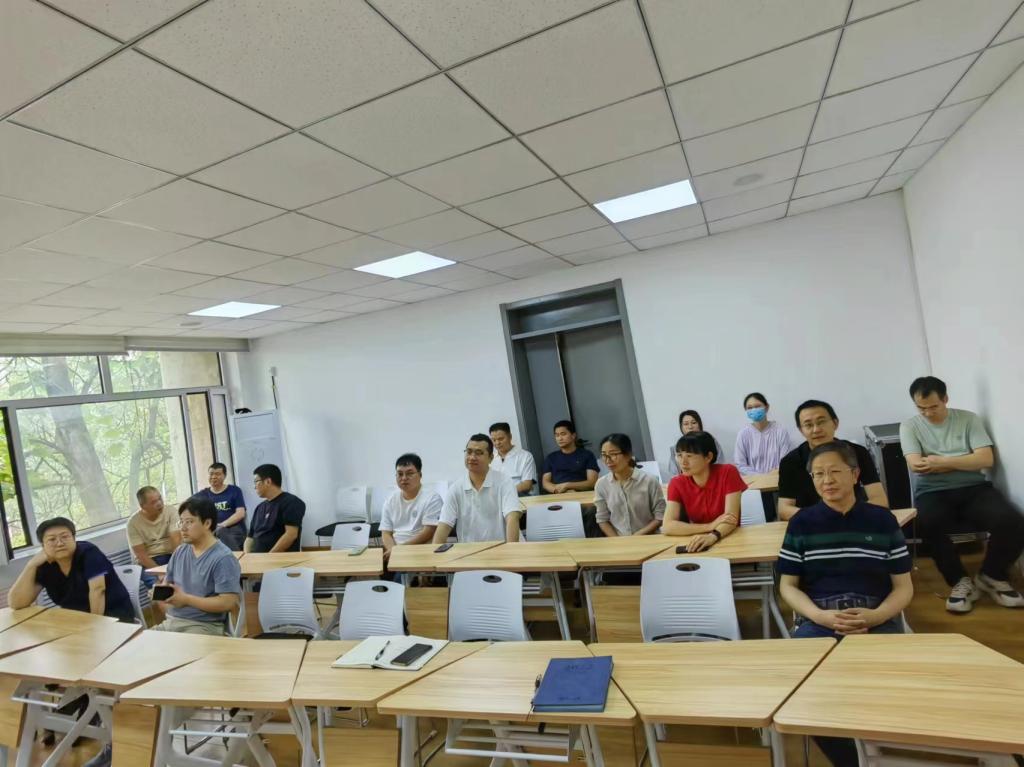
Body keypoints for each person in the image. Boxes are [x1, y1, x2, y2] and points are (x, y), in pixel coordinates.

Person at [778, 441, 913, 767]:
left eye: (834, 472)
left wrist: (878, 615)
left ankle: (879, 748)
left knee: (894, 687)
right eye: (818, 474)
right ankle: (853, 761)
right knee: (801, 690)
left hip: (875, 616)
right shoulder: (802, 523)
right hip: (820, 618)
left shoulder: (882, 520)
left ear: (854, 474)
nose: (827, 480)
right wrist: (819, 616)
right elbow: (788, 586)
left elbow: (904, 587)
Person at [900, 376, 1024, 613]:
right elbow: (916, 465)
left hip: (974, 487)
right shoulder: (909, 426)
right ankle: (959, 581)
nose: (927, 413)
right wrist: (964, 460)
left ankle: (991, 575)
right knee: (927, 522)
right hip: (932, 491)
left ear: (945, 399)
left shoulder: (968, 419)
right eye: (921, 408)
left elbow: (985, 459)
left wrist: (940, 462)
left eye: (933, 406)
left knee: (1012, 521)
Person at [778, 400, 889, 521]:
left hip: (853, 520)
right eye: (808, 425)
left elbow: (879, 499)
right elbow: (784, 509)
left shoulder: (858, 452)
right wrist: (823, 517)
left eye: (821, 422)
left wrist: (847, 515)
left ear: (835, 423)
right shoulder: (790, 462)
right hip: (812, 524)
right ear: (801, 430)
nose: (816, 429)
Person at [9, 517, 134, 623]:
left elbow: (98, 590)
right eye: (52, 539)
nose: (59, 543)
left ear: (74, 538)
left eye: (65, 537)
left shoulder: (89, 553)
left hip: (112, 616)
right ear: (43, 545)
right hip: (75, 618)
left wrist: (94, 627)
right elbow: (16, 604)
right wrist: (30, 565)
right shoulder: (45, 564)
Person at [152, 497, 241, 635]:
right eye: (181, 522)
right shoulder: (180, 551)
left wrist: (186, 600)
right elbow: (167, 585)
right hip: (171, 622)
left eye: (189, 522)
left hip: (203, 626)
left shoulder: (223, 558)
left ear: (207, 523)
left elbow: (228, 602)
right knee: (138, 644)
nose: (182, 528)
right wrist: (160, 593)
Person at [663, 432, 746, 551]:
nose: (683, 462)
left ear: (708, 457)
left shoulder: (728, 472)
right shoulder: (676, 483)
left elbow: (731, 519)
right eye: (679, 455)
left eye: (689, 456)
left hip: (730, 539)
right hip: (698, 542)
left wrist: (712, 536)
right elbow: (668, 526)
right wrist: (709, 526)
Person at [433, 434, 521, 543]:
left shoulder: (504, 482)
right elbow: (444, 525)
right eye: (469, 452)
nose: (472, 457)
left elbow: (512, 518)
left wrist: (511, 549)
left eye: (478, 453)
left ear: (491, 458)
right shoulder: (456, 488)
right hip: (471, 551)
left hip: (503, 548)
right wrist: (435, 552)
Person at [594, 433, 665, 537]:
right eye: (604, 455)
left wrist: (636, 537)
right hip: (618, 541)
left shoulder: (649, 480)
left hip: (648, 538)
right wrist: (618, 541)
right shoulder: (601, 484)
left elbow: (660, 516)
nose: (608, 460)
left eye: (613, 454)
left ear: (628, 455)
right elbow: (602, 519)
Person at [380, 453, 442, 560]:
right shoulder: (390, 500)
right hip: (395, 552)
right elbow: (386, 532)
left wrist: (399, 550)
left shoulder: (432, 498)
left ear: (420, 475)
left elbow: (429, 532)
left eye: (409, 473)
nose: (404, 478)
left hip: (421, 552)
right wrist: (392, 551)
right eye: (400, 474)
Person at [245, 464, 306, 553]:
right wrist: (247, 556)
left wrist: (269, 556)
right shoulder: (259, 507)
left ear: (268, 481)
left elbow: (291, 535)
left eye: (256, 481)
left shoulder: (291, 502)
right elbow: (249, 538)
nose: (254, 486)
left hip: (279, 558)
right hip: (256, 558)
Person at [128, 486, 181, 588]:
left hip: (171, 555)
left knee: (183, 580)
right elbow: (141, 555)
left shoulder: (170, 511)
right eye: (153, 502)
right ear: (142, 506)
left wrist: (175, 566)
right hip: (149, 561)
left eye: (160, 498)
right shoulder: (133, 523)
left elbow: (176, 541)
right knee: (160, 588)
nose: (159, 503)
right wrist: (160, 573)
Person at [733, 392, 792, 475]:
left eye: (757, 406)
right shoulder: (743, 434)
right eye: (749, 408)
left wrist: (772, 475)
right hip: (753, 481)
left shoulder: (781, 431)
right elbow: (740, 465)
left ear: (766, 407)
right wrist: (760, 477)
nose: (754, 410)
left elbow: (786, 462)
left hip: (777, 479)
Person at [195, 462, 246, 551]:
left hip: (233, 529)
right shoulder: (203, 494)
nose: (214, 477)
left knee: (220, 532)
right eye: (211, 474)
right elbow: (186, 505)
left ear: (224, 476)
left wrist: (222, 525)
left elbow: (241, 513)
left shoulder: (234, 490)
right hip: (212, 531)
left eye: (217, 474)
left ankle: (235, 557)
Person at [541, 419, 599, 494]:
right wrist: (559, 491)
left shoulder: (587, 455)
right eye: (557, 435)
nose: (560, 438)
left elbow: (592, 482)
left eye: (563, 434)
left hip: (582, 494)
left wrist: (567, 485)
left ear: (573, 435)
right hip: (558, 495)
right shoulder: (551, 458)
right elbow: (545, 483)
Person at [667, 410, 724, 478]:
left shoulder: (710, 441)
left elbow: (719, 464)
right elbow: (674, 473)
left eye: (694, 423)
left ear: (699, 424)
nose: (690, 427)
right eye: (686, 424)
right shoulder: (677, 447)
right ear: (681, 427)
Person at [489, 422, 538, 496]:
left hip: (521, 497)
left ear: (510, 436)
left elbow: (527, 485)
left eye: (501, 439)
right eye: (494, 440)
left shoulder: (525, 456)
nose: (497, 443)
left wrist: (504, 493)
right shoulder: (490, 459)